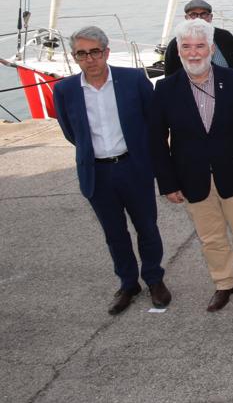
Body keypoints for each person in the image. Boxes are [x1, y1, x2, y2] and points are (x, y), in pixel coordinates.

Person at [150, 18, 233, 312]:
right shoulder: (165, 89)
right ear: (178, 50)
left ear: (211, 48)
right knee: (211, 237)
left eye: (200, 46)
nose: (193, 53)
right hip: (191, 177)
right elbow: (156, 140)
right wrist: (168, 182)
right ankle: (224, 283)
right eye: (186, 47)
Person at [53, 26, 171, 315]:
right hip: (97, 173)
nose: (89, 59)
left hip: (133, 167)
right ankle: (128, 283)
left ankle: (154, 279)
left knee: (146, 227)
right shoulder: (65, 90)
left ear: (106, 52)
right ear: (74, 57)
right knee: (114, 233)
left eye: (94, 52)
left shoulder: (132, 80)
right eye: (82, 53)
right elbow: (72, 133)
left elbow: (153, 122)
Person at [162, 0, 233, 76]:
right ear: (186, 18)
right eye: (193, 14)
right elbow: (170, 74)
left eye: (204, 14)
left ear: (210, 17)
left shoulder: (225, 37)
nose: (199, 18)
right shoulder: (176, 43)